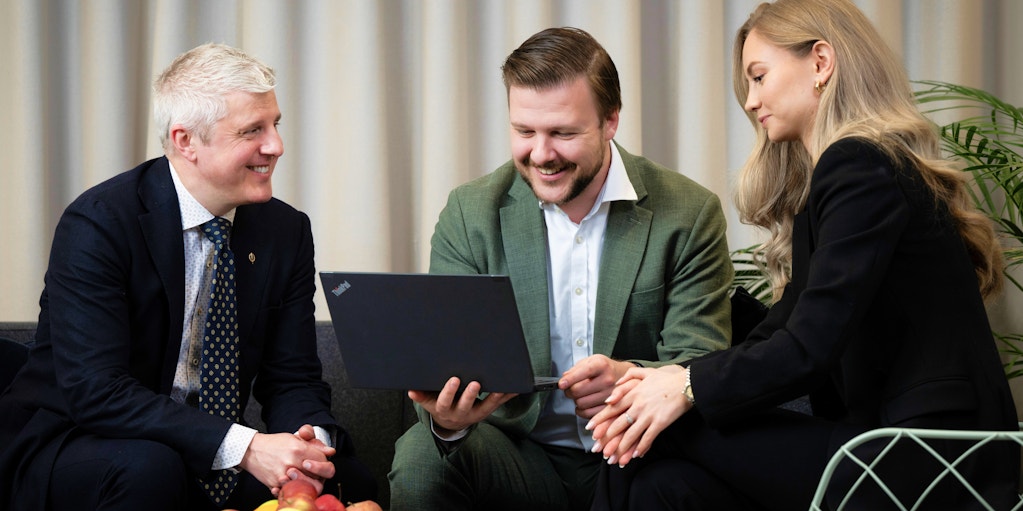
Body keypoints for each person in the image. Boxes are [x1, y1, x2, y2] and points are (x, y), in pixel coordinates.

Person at [587, 0, 1020, 509]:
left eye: (759, 77)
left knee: (641, 429)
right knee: (663, 485)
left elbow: (808, 348)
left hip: (930, 456)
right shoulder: (849, 177)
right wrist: (662, 380)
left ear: (820, 62)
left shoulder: (859, 165)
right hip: (882, 446)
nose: (751, 101)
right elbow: (782, 330)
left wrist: (684, 387)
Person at [0, 43, 376, 511]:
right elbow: (97, 392)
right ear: (185, 141)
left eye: (275, 125)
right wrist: (248, 448)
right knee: (151, 468)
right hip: (77, 441)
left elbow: (292, 377)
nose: (276, 146)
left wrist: (308, 446)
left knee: (348, 478)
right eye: (252, 130)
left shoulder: (285, 231)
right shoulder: (99, 223)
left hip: (204, 449)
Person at [387, 27, 734, 511]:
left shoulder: (689, 212)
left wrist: (630, 377)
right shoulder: (470, 212)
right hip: (517, 451)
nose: (541, 154)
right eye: (524, 131)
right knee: (423, 455)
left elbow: (700, 358)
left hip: (641, 459)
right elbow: (449, 356)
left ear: (610, 121)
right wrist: (449, 422)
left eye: (563, 133)